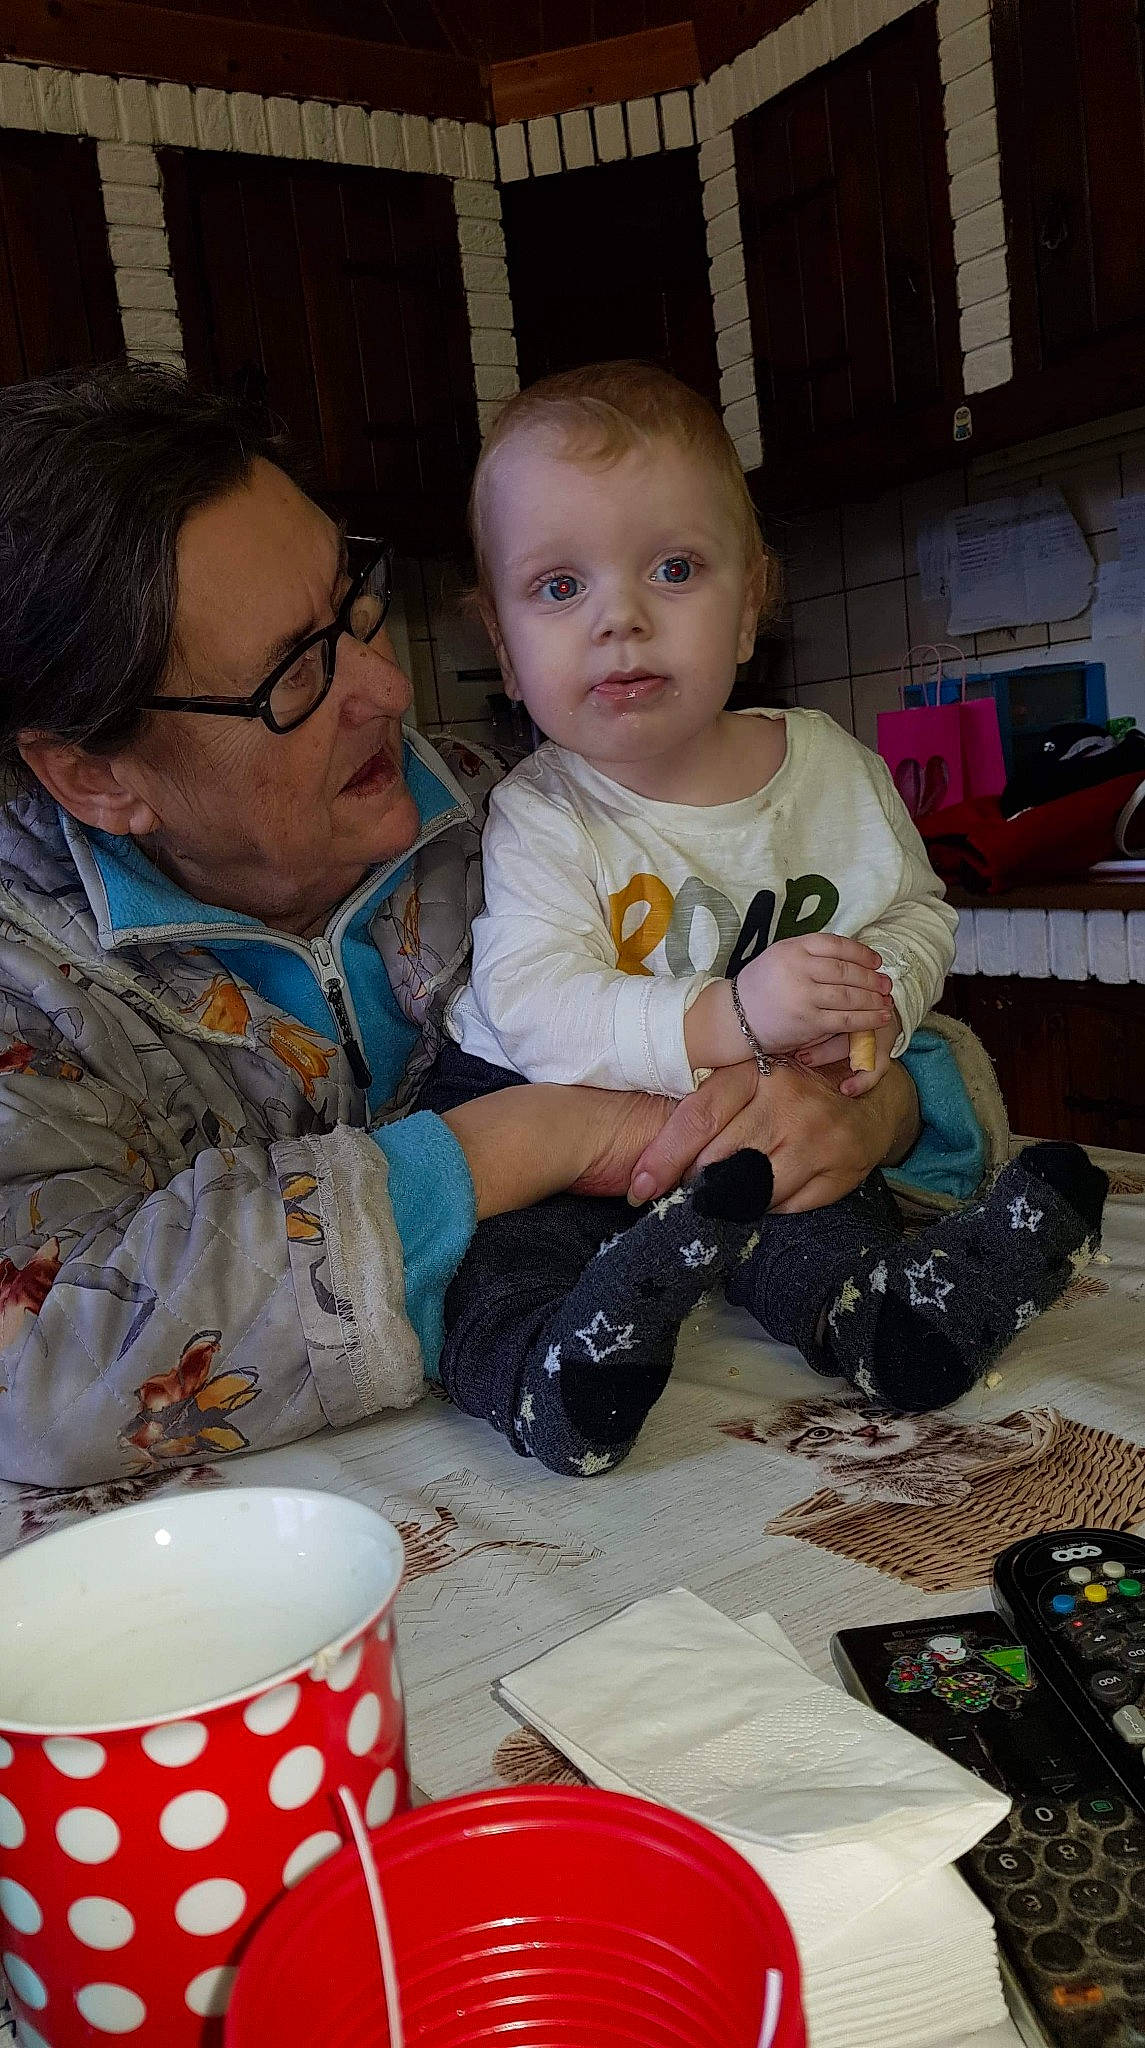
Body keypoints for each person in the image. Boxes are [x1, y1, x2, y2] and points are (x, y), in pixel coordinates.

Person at [0, 363, 920, 1490]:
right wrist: (541, 1136)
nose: (386, 688)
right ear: (94, 774)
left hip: (681, 1482)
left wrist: (869, 1106)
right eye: (297, 669)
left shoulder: (531, 804)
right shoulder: (29, 990)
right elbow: (33, 1367)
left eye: (355, 604)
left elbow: (871, 995)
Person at [428, 362, 1107, 1474]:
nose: (620, 619)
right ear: (504, 652)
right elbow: (533, 1001)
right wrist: (731, 1013)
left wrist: (869, 996)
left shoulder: (829, 770)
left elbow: (914, 913)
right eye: (558, 588)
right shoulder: (542, 808)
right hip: (541, 1110)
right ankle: (552, 1376)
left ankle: (899, 1322)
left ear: (750, 603)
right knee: (496, 1260)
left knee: (815, 1208)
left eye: (674, 568)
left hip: (754, 1111)